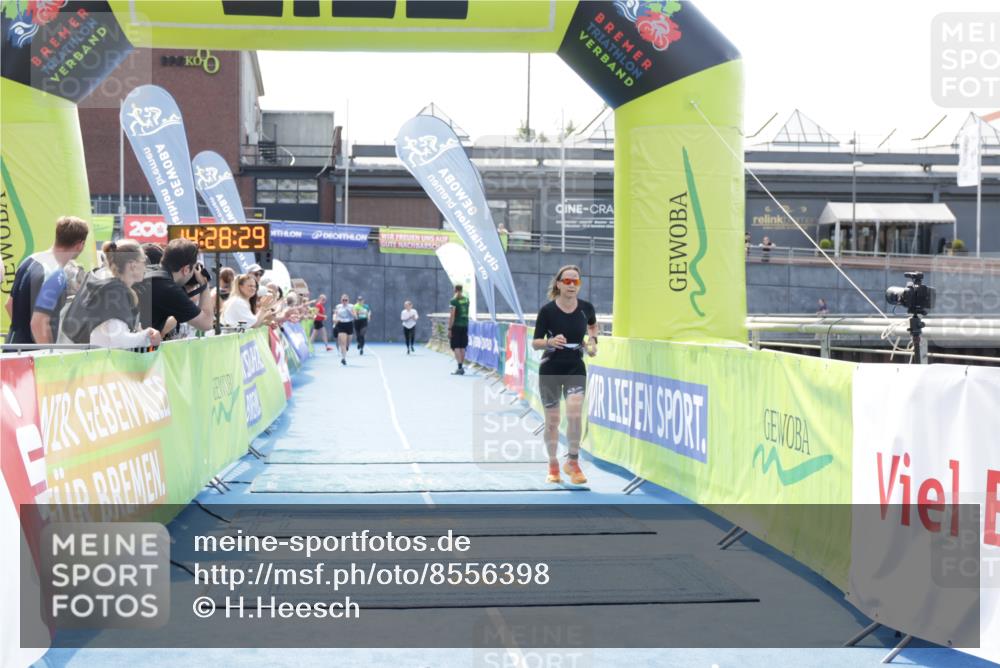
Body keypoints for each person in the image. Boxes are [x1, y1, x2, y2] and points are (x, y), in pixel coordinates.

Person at [531, 265, 598, 485]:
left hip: (575, 367)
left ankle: (573, 461)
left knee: (575, 413)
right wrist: (549, 342)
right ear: (558, 284)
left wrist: (592, 342)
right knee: (552, 421)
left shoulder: (586, 308)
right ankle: (553, 464)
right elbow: (535, 343)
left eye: (575, 282)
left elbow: (593, 326)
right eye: (567, 281)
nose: (571, 285)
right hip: (551, 368)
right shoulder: (547, 311)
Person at [58, 240, 162, 349]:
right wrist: (147, 336)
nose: (145, 267)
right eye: (143, 261)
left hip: (72, 356)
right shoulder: (114, 291)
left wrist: (142, 332)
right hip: (92, 361)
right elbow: (117, 340)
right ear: (132, 265)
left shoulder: (97, 277)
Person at [5, 215, 90, 344]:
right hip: (32, 358)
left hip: (12, 347)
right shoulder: (56, 274)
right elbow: (38, 322)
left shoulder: (29, 260)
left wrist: (23, 334)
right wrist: (50, 354)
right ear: (80, 245)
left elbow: (10, 305)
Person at [133, 237, 216, 338]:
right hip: (133, 350)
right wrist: (204, 285)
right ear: (186, 269)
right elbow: (206, 324)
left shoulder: (149, 272)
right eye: (193, 269)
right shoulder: (168, 288)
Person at [447, 284, 470, 375]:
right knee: (462, 346)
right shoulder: (466, 300)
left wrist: (449, 329)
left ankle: (460, 367)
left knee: (456, 346)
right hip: (465, 325)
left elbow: (452, 315)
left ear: (455, 290)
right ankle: (461, 366)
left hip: (456, 325)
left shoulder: (453, 301)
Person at [333, 293, 355, 365]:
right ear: (341, 300)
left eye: (346, 300)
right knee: (343, 342)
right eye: (343, 300)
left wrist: (350, 311)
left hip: (349, 324)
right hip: (341, 324)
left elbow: (355, 316)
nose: (344, 301)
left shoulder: (351, 306)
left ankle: (347, 347)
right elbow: (335, 315)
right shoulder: (338, 306)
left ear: (348, 300)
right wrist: (335, 319)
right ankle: (343, 358)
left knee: (348, 343)